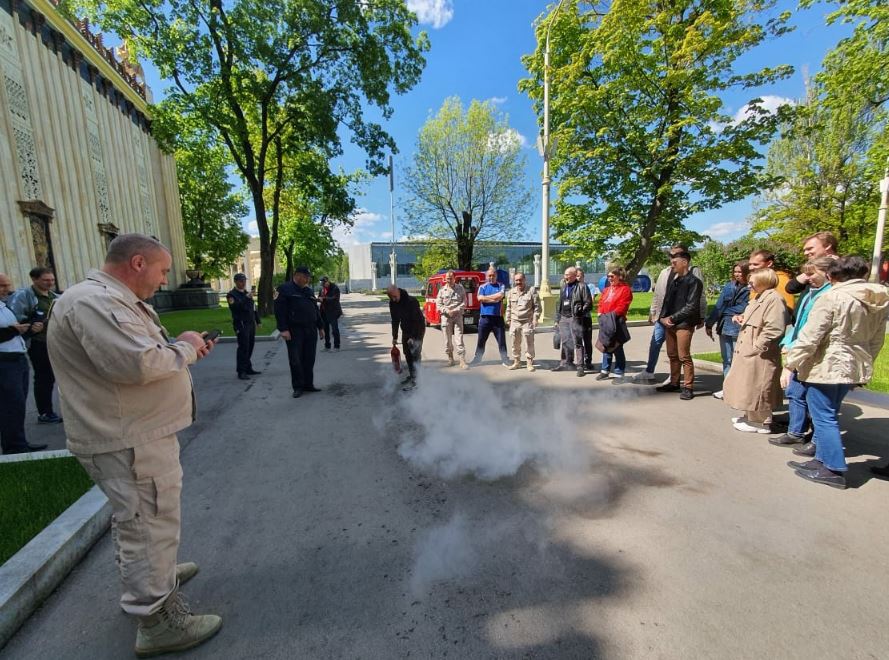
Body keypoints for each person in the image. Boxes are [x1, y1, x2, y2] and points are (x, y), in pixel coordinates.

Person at [46, 234, 221, 656]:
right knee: (147, 523)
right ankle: (157, 621)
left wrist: (181, 350)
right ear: (138, 263)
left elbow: (141, 355)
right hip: (128, 439)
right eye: (163, 271)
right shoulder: (94, 302)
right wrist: (186, 347)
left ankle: (155, 578)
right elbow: (137, 363)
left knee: (141, 519)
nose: (164, 280)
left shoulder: (107, 299)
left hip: (133, 433)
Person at [782, 256, 889, 489]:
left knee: (824, 416)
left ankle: (832, 468)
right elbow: (876, 340)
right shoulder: (878, 299)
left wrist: (790, 365)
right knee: (828, 413)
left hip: (828, 364)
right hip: (853, 363)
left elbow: (811, 336)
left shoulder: (832, 297)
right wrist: (864, 365)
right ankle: (821, 460)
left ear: (832, 276)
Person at [770, 257, 834, 449]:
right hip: (799, 346)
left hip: (814, 352)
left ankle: (818, 442)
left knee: (816, 400)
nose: (807, 278)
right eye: (806, 274)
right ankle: (795, 432)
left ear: (827, 274)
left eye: (811, 273)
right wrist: (789, 341)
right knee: (794, 392)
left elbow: (815, 330)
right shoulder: (809, 293)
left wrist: (793, 354)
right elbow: (799, 323)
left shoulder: (828, 295)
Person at [722, 268, 789, 432]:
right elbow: (754, 319)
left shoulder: (774, 299)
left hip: (760, 354)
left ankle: (761, 422)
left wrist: (757, 346)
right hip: (750, 351)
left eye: (752, 282)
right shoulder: (758, 297)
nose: (749, 285)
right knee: (749, 386)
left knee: (760, 387)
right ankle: (750, 416)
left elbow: (774, 328)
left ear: (763, 281)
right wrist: (741, 318)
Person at [634, 245, 706, 382]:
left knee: (681, 352)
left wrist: (702, 315)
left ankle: (678, 379)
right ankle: (650, 371)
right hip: (664, 316)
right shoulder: (665, 272)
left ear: (684, 258)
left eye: (676, 255)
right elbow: (658, 295)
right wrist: (653, 312)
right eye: (671, 255)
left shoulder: (693, 273)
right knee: (657, 344)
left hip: (682, 319)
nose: (672, 258)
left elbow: (699, 297)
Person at [0, 273, 47, 454]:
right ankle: (14, 447)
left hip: (18, 359)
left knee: (18, 405)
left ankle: (18, 442)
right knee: (11, 405)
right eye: (2, 286)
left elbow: (16, 331)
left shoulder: (4, 305)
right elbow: (9, 332)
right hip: (5, 362)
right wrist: (14, 330)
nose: (7, 289)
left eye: (7, 285)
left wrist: (31, 328)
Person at [9, 266, 62, 423]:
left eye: (52, 280)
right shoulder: (23, 296)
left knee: (54, 376)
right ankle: (45, 412)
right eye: (46, 280)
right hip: (37, 343)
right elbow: (15, 318)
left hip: (54, 341)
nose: (50, 283)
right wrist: (32, 325)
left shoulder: (54, 296)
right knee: (44, 376)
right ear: (34, 279)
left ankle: (52, 410)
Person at [655, 249, 704, 400]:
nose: (672, 265)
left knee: (684, 356)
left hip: (684, 324)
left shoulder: (694, 282)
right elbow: (667, 301)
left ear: (685, 262)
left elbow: (691, 306)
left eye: (674, 263)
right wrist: (662, 318)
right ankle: (674, 382)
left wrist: (672, 318)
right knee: (672, 354)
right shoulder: (675, 281)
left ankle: (688, 387)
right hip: (670, 324)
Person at [704, 261, 750, 398]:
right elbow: (718, 306)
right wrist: (709, 323)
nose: (737, 274)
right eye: (735, 271)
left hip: (739, 327)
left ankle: (740, 390)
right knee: (727, 359)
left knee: (739, 360)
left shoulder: (751, 288)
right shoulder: (729, 286)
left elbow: (744, 307)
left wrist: (725, 311)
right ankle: (728, 388)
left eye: (740, 272)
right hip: (724, 327)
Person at [553, 266, 592, 377]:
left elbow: (588, 303)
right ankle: (566, 363)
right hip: (563, 318)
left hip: (575, 318)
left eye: (567, 275)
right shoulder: (563, 286)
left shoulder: (582, 286)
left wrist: (580, 312)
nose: (565, 277)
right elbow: (559, 304)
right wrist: (557, 318)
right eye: (565, 275)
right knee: (565, 341)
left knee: (577, 342)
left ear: (574, 275)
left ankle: (580, 367)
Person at [595, 267, 632, 380]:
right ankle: (605, 370)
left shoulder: (625, 289)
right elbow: (601, 302)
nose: (609, 278)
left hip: (616, 321)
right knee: (606, 345)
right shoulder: (606, 290)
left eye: (612, 276)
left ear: (619, 276)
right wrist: (600, 313)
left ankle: (619, 372)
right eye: (608, 276)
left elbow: (623, 305)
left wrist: (611, 316)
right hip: (605, 320)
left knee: (617, 347)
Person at [387, 285, 426, 390]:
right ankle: (412, 375)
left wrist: (413, 337)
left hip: (418, 329)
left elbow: (416, 321)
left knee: (415, 353)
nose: (393, 299)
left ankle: (417, 380)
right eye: (391, 297)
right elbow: (395, 320)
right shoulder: (392, 303)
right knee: (407, 353)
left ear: (398, 292)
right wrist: (394, 337)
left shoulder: (411, 301)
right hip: (406, 330)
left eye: (395, 297)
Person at [471, 268, 509, 366]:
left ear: (496, 276)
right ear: (486, 276)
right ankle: (477, 359)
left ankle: (505, 359)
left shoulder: (501, 285)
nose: (491, 277)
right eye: (489, 275)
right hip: (485, 318)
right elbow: (480, 298)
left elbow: (500, 295)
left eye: (493, 275)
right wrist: (494, 299)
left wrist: (486, 298)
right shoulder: (482, 287)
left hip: (498, 318)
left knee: (501, 341)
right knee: (481, 340)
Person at [227, 273, 261, 380]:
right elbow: (235, 307)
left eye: (244, 281)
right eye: (241, 281)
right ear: (236, 282)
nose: (243, 283)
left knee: (250, 345)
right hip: (241, 324)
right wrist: (246, 298)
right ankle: (241, 371)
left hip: (250, 323)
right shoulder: (231, 295)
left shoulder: (247, 293)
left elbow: (253, 308)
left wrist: (258, 321)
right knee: (243, 347)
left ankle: (248, 367)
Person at [505, 272, 541, 371]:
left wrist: (535, 319)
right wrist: (508, 319)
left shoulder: (531, 290)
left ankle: (529, 363)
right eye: (516, 280)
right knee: (515, 343)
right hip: (515, 321)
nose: (518, 282)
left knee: (529, 343)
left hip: (527, 321)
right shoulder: (511, 292)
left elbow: (537, 307)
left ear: (524, 280)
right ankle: (517, 362)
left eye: (520, 280)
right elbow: (508, 307)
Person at [784, 231, 838, 297]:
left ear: (827, 246)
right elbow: (790, 288)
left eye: (809, 249)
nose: (805, 253)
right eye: (804, 250)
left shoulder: (844, 268)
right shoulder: (813, 267)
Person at [435, 270, 468, 369]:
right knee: (447, 340)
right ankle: (450, 359)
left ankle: (462, 360)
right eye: (447, 278)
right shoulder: (442, 290)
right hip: (446, 317)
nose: (449, 280)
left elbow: (464, 302)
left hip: (458, 316)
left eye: (451, 278)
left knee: (459, 339)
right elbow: (438, 304)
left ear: (454, 278)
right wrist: (446, 310)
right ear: (445, 279)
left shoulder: (460, 288)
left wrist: (456, 310)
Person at [576, 268, 596, 371]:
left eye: (579, 276)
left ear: (583, 277)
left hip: (586, 317)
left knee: (587, 340)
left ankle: (588, 361)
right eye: (576, 276)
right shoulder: (572, 288)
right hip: (576, 319)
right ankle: (579, 363)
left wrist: (581, 311)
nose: (577, 278)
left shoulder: (589, 286)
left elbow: (590, 302)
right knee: (578, 341)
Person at [318, 276, 342, 351]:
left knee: (335, 329)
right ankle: (327, 346)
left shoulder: (335, 288)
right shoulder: (322, 289)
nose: (323, 286)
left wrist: (324, 298)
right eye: (322, 284)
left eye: (324, 284)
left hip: (333, 311)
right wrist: (318, 299)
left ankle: (336, 346)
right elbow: (320, 297)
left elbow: (335, 298)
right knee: (326, 330)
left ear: (327, 281)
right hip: (324, 312)